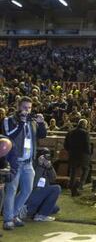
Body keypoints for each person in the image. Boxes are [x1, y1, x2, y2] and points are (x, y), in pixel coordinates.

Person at [2, 96, 47, 230]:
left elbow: (42, 135)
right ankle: (8, 219)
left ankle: (14, 214)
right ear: (18, 107)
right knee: (11, 190)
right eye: (24, 107)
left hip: (28, 162)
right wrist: (21, 122)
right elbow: (10, 135)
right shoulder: (8, 120)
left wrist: (41, 123)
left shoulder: (31, 121)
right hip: (13, 162)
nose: (27, 111)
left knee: (27, 190)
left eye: (29, 108)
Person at [20, 148, 61, 222]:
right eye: (44, 156)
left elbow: (53, 179)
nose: (45, 158)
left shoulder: (47, 166)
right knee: (56, 188)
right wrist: (40, 166)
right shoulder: (31, 165)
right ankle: (40, 215)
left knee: (56, 208)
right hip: (31, 196)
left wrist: (49, 167)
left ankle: (33, 213)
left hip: (39, 198)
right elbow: (34, 183)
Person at [64, 119, 91, 197]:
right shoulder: (85, 133)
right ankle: (80, 185)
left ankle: (72, 186)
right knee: (86, 169)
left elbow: (65, 144)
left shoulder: (70, 132)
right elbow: (87, 145)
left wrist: (69, 150)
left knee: (73, 171)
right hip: (83, 155)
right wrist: (88, 154)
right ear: (84, 125)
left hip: (72, 154)